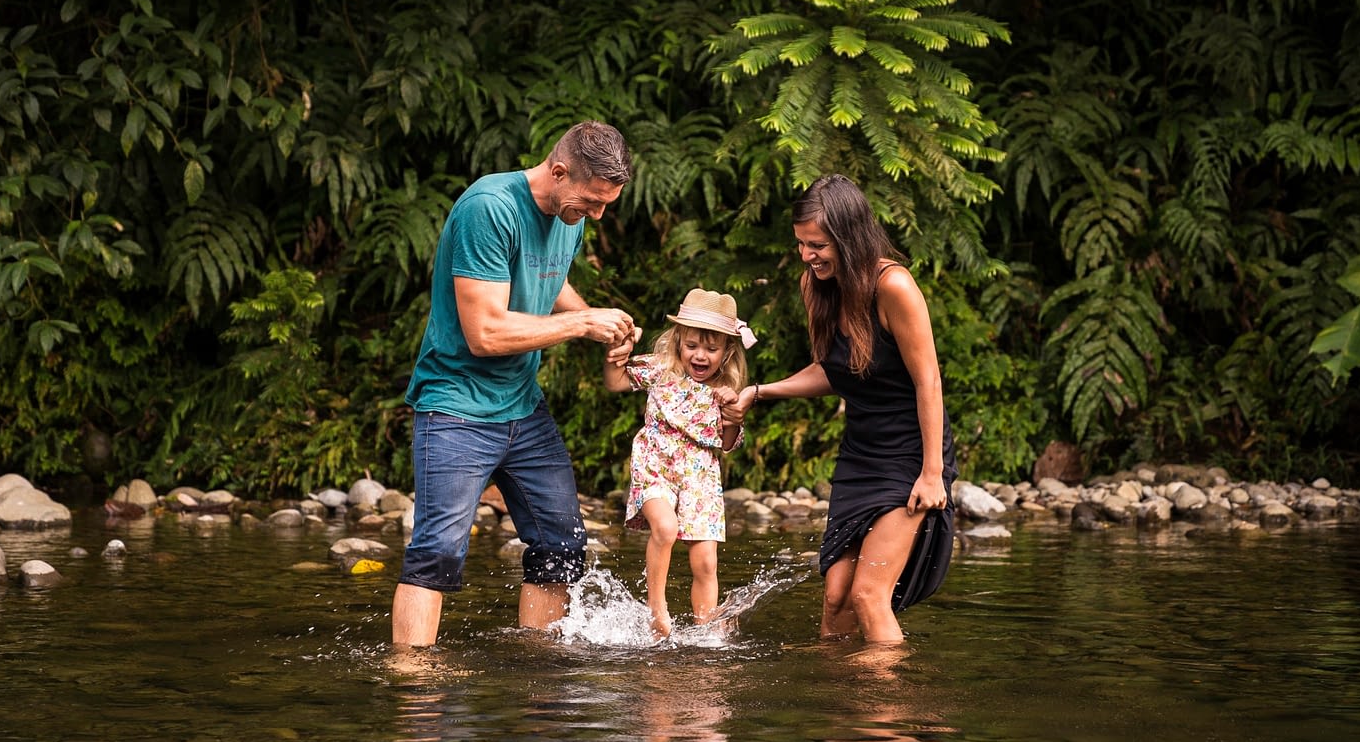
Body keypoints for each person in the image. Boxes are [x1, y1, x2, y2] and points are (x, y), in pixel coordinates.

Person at [392, 121, 641, 649]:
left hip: (522, 409)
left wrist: (598, 318)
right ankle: (411, 684)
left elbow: (546, 277)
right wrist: (581, 326)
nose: (596, 215)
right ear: (558, 171)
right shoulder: (490, 209)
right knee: (436, 551)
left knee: (562, 546)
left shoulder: (565, 212)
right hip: (456, 406)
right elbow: (484, 332)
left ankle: (536, 666)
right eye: (591, 202)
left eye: (605, 205)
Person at [724, 173, 957, 644]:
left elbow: (928, 380)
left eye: (818, 245)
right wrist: (760, 391)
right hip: (861, 455)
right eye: (802, 245)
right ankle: (841, 705)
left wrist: (932, 473)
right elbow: (833, 370)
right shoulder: (818, 285)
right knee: (834, 600)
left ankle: (886, 709)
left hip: (910, 455)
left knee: (869, 596)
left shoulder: (894, 288)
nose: (808, 256)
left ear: (850, 237)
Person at [604, 288, 754, 638]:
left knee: (706, 562)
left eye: (711, 349)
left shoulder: (727, 390)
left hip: (700, 477)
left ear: (727, 351)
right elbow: (615, 383)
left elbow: (727, 445)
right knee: (666, 529)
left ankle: (706, 629)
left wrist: (732, 415)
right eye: (692, 346)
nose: (700, 356)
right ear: (678, 342)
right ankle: (657, 612)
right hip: (655, 465)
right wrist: (615, 352)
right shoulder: (661, 370)